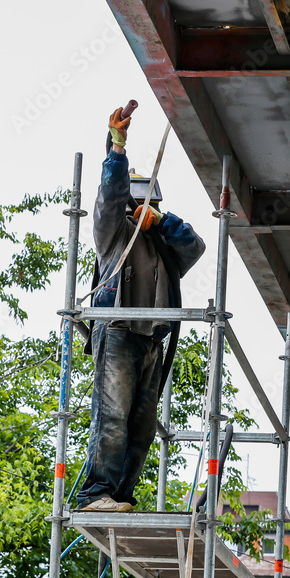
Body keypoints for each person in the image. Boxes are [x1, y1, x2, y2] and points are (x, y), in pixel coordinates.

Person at [77, 107, 206, 512]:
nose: (139, 207)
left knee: (142, 428)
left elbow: (195, 246)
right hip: (116, 331)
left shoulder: (163, 245)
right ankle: (96, 493)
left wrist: (163, 222)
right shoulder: (114, 234)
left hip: (150, 340)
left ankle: (120, 496)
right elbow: (109, 198)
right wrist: (117, 148)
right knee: (112, 417)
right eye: (138, 202)